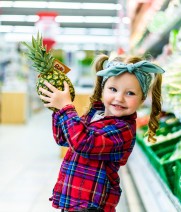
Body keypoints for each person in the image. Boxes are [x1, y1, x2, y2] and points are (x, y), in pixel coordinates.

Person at [39, 54, 165, 212]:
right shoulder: (95, 114)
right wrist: (58, 109)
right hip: (74, 198)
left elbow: (83, 143)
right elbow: (64, 139)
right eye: (113, 89)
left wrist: (66, 108)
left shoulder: (122, 129)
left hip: (92, 205)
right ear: (102, 89)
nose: (119, 98)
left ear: (142, 99)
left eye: (130, 93)